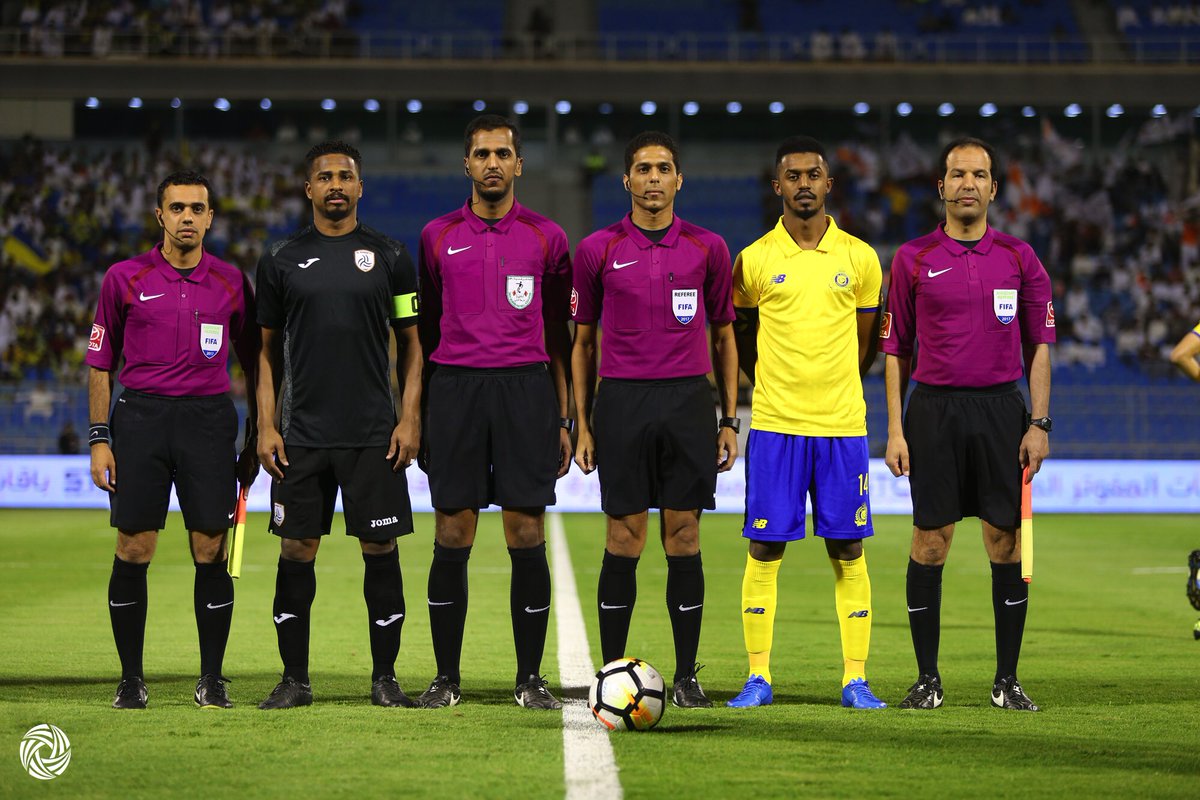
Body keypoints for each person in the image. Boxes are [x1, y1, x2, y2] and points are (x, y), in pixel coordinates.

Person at [881, 136, 1055, 712]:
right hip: (932, 410)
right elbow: (895, 350)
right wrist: (896, 430)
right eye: (958, 174)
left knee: (1006, 543)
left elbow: (1040, 345)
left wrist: (1039, 423)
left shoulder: (1020, 258)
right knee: (931, 541)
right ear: (941, 186)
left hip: (1003, 411)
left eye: (979, 175)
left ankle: (1007, 681)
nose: (968, 184)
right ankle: (927, 680)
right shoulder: (911, 258)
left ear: (993, 188)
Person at [571, 131, 739, 708]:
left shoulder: (708, 248)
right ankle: (610, 671)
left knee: (683, 534)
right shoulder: (596, 249)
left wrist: (729, 419)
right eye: (642, 168)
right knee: (624, 535)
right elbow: (583, 342)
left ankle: (688, 672)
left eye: (663, 168)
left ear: (678, 179)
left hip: (689, 402)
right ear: (626, 180)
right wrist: (583, 423)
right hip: (621, 402)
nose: (653, 178)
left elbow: (724, 335)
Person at [254, 140, 422, 710]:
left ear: (359, 187)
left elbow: (412, 344)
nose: (335, 185)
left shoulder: (392, 255)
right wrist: (265, 424)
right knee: (297, 551)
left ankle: (385, 679)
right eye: (324, 176)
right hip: (300, 436)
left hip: (374, 433)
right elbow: (266, 351)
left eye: (345, 176)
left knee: (380, 547)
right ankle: (294, 680)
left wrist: (408, 417)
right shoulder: (279, 258)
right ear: (308, 189)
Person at [86, 170, 259, 709]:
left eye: (197, 209)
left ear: (210, 217)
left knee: (211, 548)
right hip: (140, 420)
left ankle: (211, 679)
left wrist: (257, 433)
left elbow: (257, 366)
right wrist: (99, 438)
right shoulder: (123, 278)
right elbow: (98, 364)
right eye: (177, 208)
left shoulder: (232, 282)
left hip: (209, 421)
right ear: (159, 215)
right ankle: (131, 679)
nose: (187, 217)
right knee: (134, 547)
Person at [416, 114, 572, 710]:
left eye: (502, 154)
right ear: (467, 164)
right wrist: (425, 409)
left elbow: (558, 333)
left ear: (518, 164)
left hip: (524, 390)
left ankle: (529, 678)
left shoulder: (547, 238)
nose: (492, 164)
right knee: (453, 530)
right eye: (481, 154)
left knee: (524, 530)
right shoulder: (435, 236)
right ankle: (445, 679)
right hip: (455, 390)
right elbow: (426, 328)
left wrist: (562, 417)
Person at [728, 136, 886, 710]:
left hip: (843, 427)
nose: (803, 185)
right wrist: (767, 381)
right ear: (777, 187)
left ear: (828, 184)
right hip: (775, 425)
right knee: (765, 550)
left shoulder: (861, 258)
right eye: (792, 176)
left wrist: (838, 381)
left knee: (848, 548)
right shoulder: (753, 260)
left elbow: (866, 345)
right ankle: (759, 676)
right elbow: (741, 337)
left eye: (812, 175)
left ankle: (854, 679)